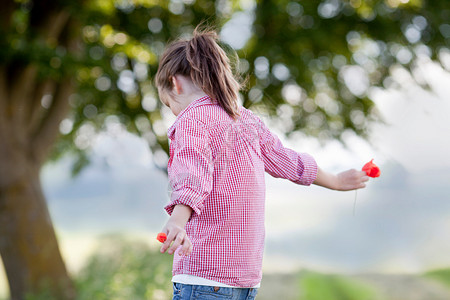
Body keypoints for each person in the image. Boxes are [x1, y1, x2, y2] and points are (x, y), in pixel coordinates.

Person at [155, 26, 369, 300]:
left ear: (175, 83)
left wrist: (178, 220)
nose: (173, 111)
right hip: (246, 281)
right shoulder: (247, 121)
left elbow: (193, 175)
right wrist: (336, 181)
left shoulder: (191, 120)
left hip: (203, 274)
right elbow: (288, 162)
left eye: (168, 104)